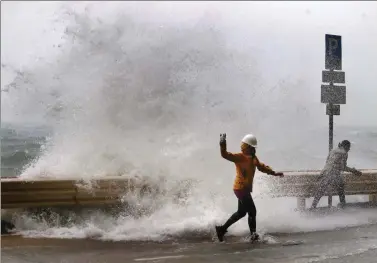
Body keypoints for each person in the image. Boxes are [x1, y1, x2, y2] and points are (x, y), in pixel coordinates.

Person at [215, 133, 284, 242]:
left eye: (253, 148)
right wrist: (222, 143)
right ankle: (253, 235)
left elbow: (261, 166)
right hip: (240, 188)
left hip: (245, 189)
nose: (253, 150)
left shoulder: (253, 157)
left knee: (242, 212)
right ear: (245, 147)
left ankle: (222, 229)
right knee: (252, 211)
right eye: (251, 147)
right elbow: (225, 155)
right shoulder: (239, 157)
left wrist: (273, 173)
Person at [310, 140, 362, 209]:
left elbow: (327, 163)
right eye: (348, 147)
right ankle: (343, 206)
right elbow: (342, 167)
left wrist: (321, 174)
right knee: (341, 190)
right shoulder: (344, 153)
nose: (349, 149)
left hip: (326, 173)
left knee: (320, 191)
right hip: (333, 174)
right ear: (345, 146)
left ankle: (313, 207)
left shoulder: (333, 150)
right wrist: (353, 171)